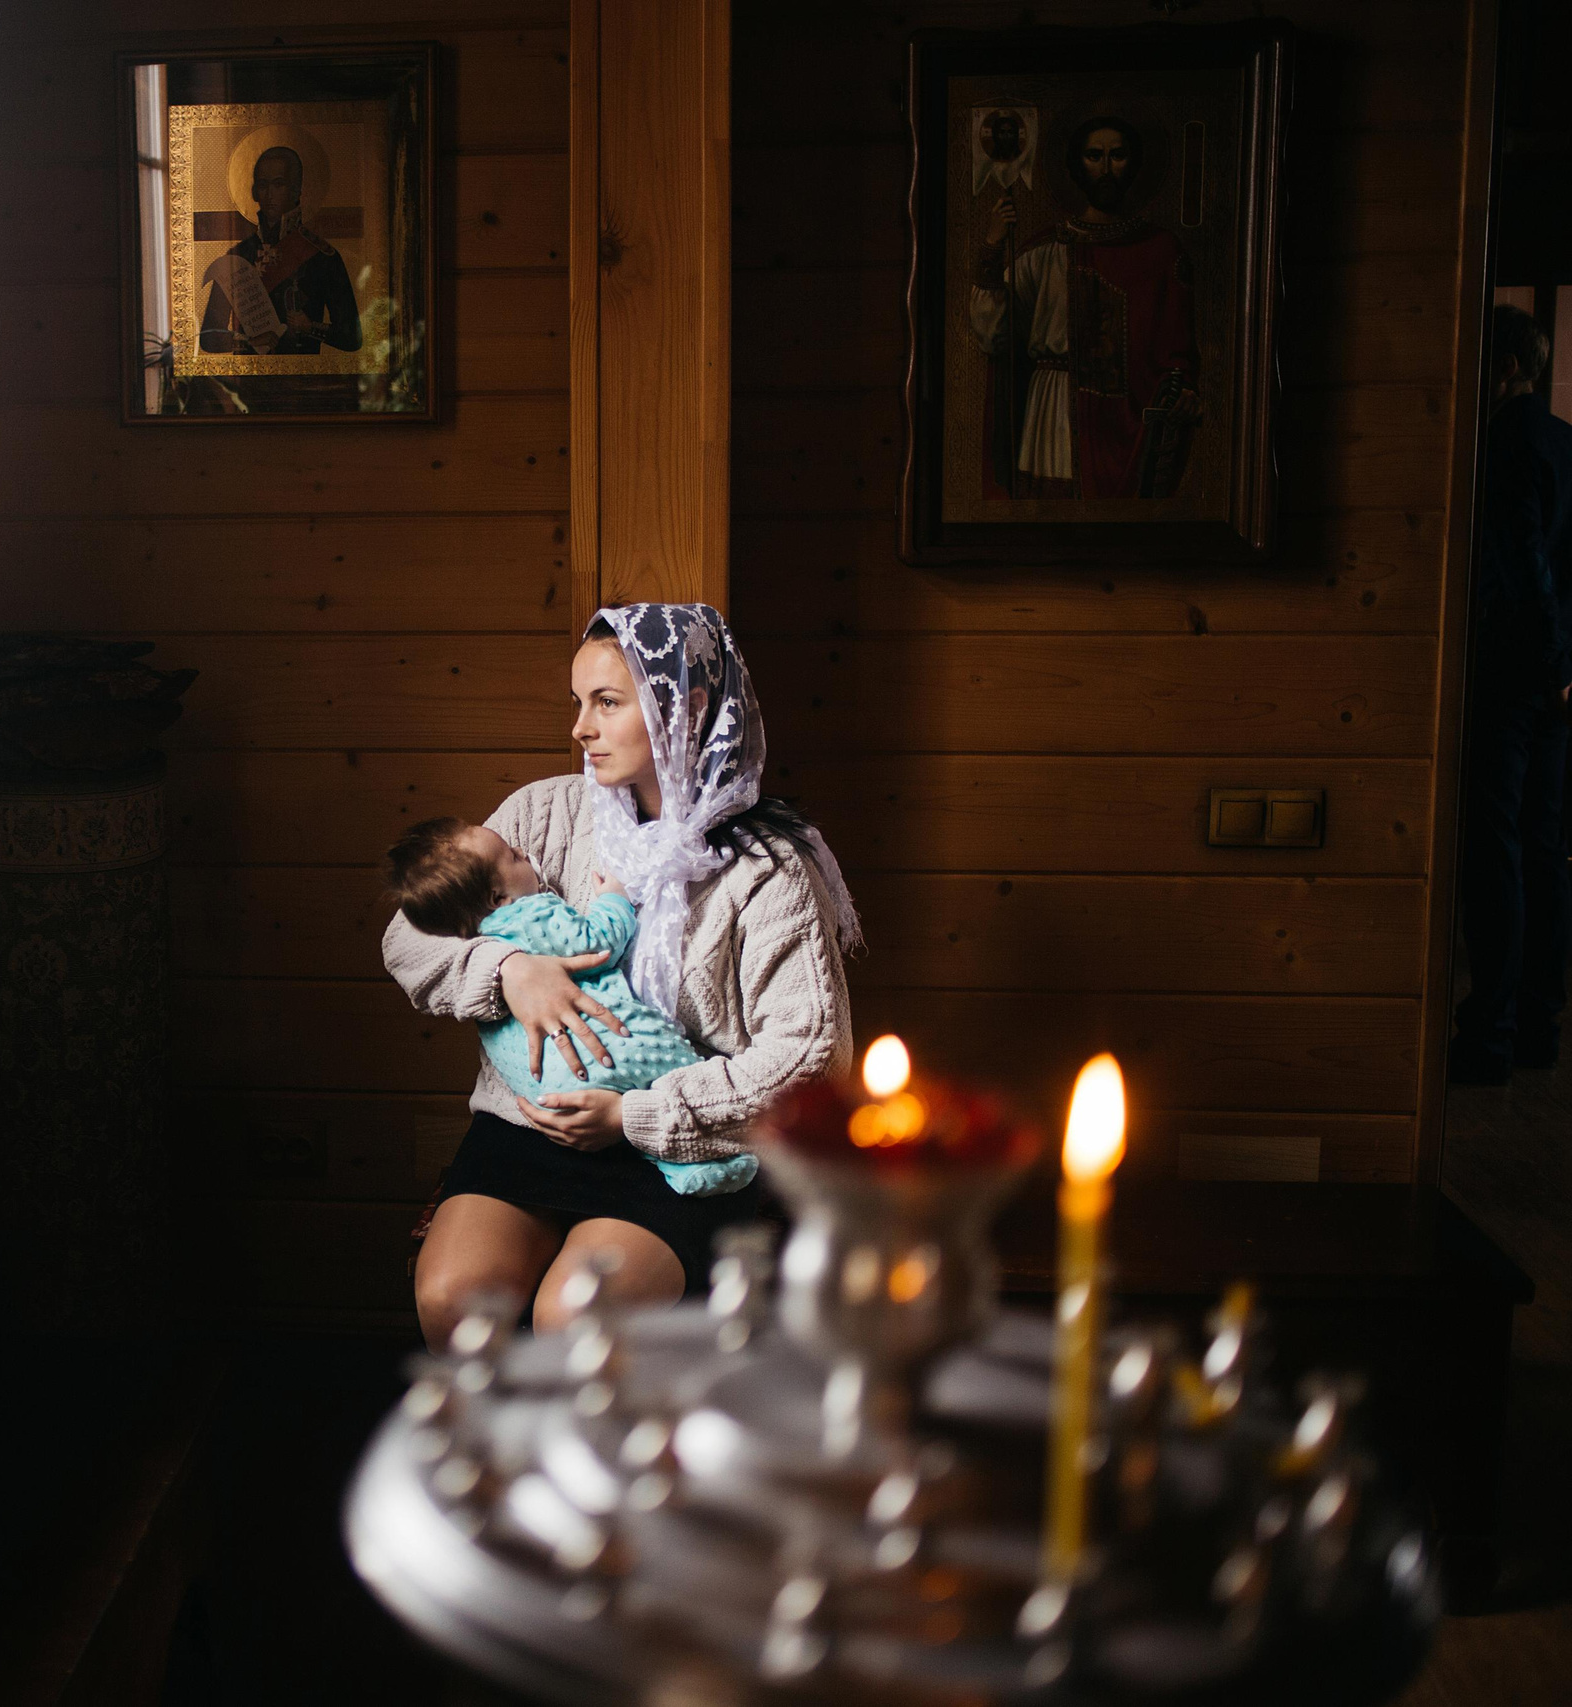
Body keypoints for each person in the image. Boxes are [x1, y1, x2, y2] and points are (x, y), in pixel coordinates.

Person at [383, 604, 864, 1347]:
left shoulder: (768, 869)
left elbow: (812, 1058)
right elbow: (409, 933)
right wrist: (506, 969)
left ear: (686, 710)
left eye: (606, 702)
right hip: (532, 1122)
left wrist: (636, 1115)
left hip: (684, 1142)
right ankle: (497, 1428)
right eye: (578, 702)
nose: (580, 727)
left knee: (575, 1316)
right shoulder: (543, 811)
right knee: (454, 1300)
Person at [381, 816, 760, 1199]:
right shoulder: (531, 913)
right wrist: (614, 897)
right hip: (609, 1057)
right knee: (671, 1062)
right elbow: (595, 942)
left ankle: (672, 1160)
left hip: (549, 1098)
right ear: (498, 899)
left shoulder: (470, 928)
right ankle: (700, 1164)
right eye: (514, 856)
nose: (523, 850)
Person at [1452, 302, 1572, 1082]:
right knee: (1543, 847)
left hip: (1510, 669)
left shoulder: (1501, 442)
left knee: (1494, 850)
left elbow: (1522, 559)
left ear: (1502, 367)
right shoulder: (1564, 440)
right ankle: (1537, 1029)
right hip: (1556, 675)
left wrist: (1541, 654)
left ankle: (1489, 1034)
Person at [969, 116, 1199, 500]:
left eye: (1117, 156)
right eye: (1094, 156)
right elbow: (992, 334)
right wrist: (993, 244)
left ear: (1134, 164)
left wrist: (1182, 386)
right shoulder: (1045, 252)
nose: (1106, 168)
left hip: (1128, 417)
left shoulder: (1160, 251)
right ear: (1077, 166)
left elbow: (1177, 346)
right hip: (1053, 410)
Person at [196, 145, 361, 357]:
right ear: (254, 192)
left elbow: (352, 337)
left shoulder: (321, 257)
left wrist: (310, 327)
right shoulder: (238, 256)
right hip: (249, 374)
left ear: (296, 190)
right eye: (263, 185)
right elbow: (208, 337)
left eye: (279, 184)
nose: (269, 194)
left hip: (304, 374)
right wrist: (248, 342)